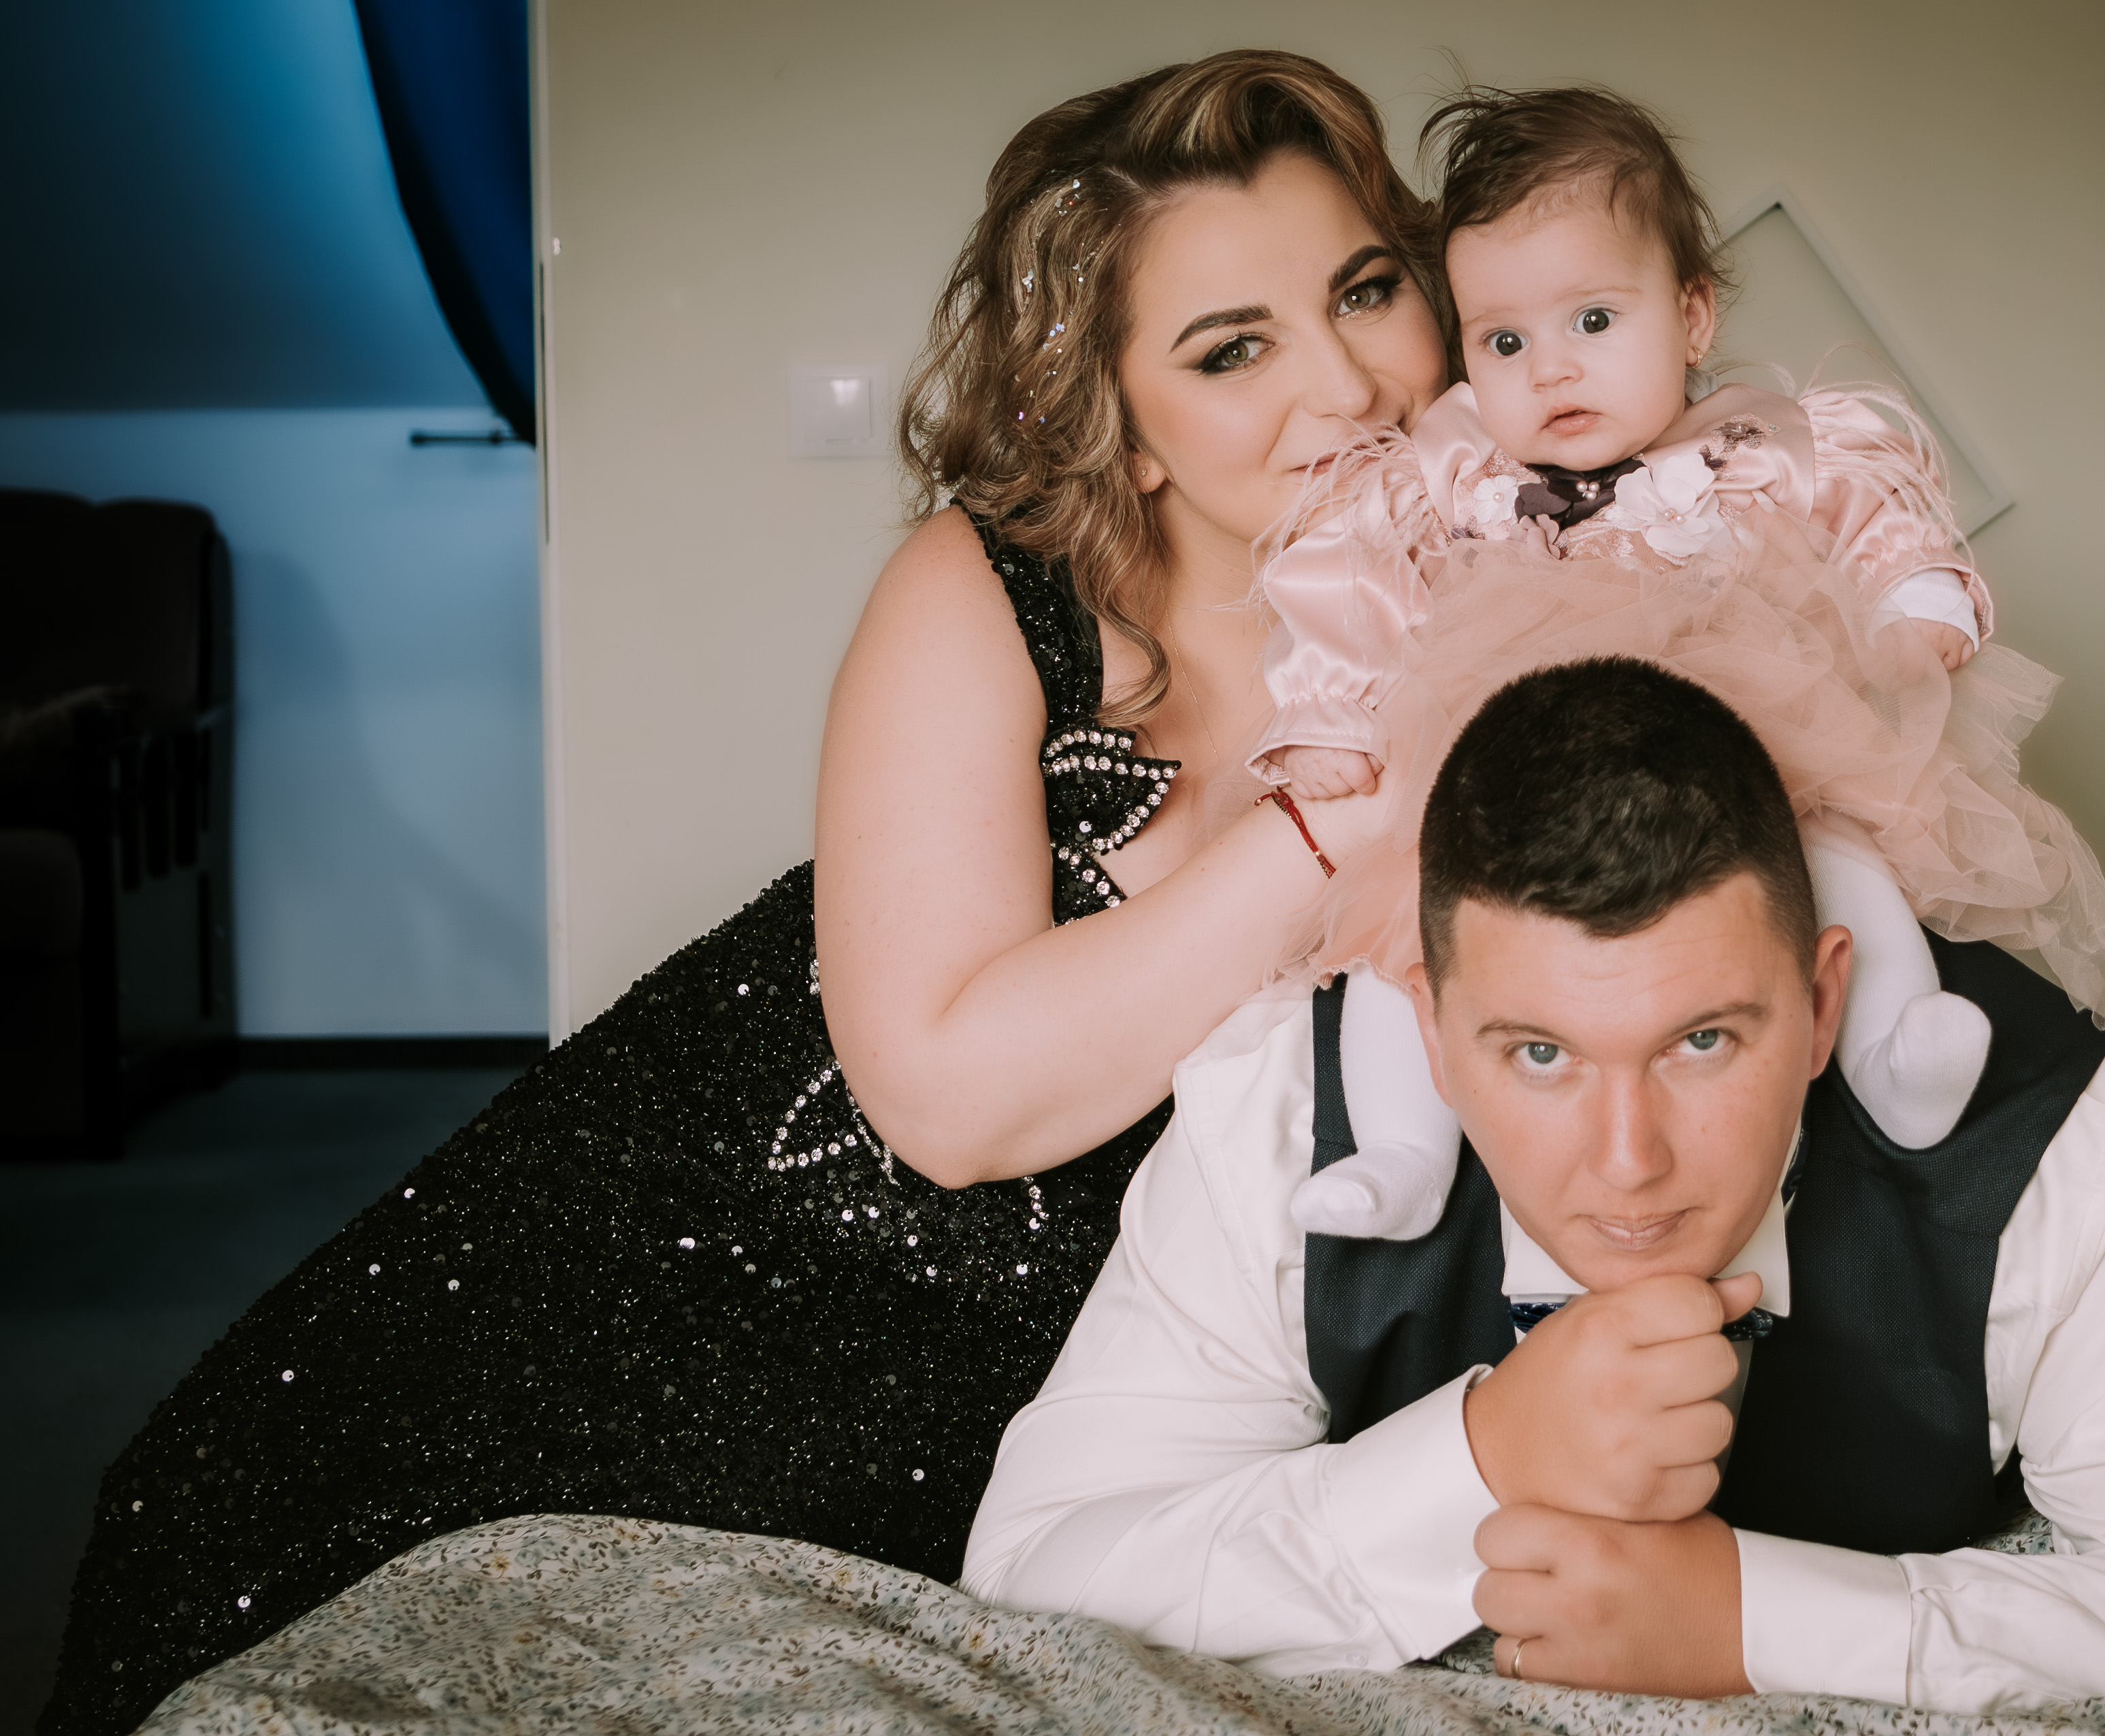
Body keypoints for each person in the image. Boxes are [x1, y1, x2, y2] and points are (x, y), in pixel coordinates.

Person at [42, 50, 1442, 1736]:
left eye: (1368, 290)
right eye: (1231, 348)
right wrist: (1332, 827)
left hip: (1060, 1394)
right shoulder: (987, 588)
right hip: (699, 1263)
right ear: (1123, 425)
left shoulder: (1528, 589)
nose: (1349, 384)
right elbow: (951, 1098)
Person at [963, 657, 2105, 1709]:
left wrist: (1755, 1619)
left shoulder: (2053, 1128)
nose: (1627, 1159)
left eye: (1703, 1040)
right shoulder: (1285, 1113)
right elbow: (1027, 1579)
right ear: (1429, 1031)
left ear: (1825, 1001)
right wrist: (1479, 1461)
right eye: (1537, 1053)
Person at [1245, 88, 2105, 1249]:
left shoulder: (1755, 449)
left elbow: (1873, 515)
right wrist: (1331, 714)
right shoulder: (1450, 472)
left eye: (1592, 321)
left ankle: (1892, 1054)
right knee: (1409, 924)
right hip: (1510, 773)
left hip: (1745, 740)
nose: (1550, 371)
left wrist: (1913, 601)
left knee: (1828, 859)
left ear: (1692, 315)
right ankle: (1401, 1152)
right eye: (1504, 342)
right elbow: (1357, 582)